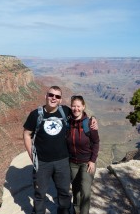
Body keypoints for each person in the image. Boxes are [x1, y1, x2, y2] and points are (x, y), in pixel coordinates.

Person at [23, 86, 98, 214]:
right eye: (51, 95)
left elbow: (80, 113)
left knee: (64, 192)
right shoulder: (35, 114)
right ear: (45, 96)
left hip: (62, 161)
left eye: (57, 96)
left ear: (60, 100)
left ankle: (63, 211)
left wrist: (94, 119)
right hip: (42, 162)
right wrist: (32, 155)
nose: (54, 98)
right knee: (40, 193)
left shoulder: (65, 111)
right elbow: (26, 134)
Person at [66, 95, 100, 214]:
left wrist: (92, 161)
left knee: (85, 191)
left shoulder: (90, 124)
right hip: (72, 163)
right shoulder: (68, 122)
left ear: (83, 107)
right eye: (73, 106)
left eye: (78, 106)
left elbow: (96, 142)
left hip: (86, 163)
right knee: (75, 190)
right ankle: (76, 211)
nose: (76, 108)